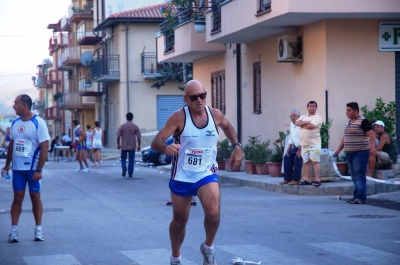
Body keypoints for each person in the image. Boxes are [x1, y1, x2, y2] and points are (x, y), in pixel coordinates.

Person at [151, 80, 243, 265]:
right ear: (186, 99)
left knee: (213, 212)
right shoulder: (178, 118)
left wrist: (237, 146)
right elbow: (156, 142)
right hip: (182, 175)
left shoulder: (215, 114)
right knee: (180, 220)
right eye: (194, 97)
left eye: (203, 95)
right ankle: (176, 257)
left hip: (206, 173)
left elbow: (227, 126)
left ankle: (208, 247)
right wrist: (165, 149)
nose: (199, 100)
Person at [2, 94, 50, 243]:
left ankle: (38, 229)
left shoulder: (38, 123)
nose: (13, 106)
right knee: (17, 198)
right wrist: (7, 164)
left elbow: (45, 147)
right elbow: (11, 145)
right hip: (18, 169)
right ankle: (14, 230)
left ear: (24, 105)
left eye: (16, 104)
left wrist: (39, 170)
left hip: (33, 169)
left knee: (35, 197)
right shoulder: (15, 123)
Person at [334, 102, 375, 204]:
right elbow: (345, 137)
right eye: (346, 110)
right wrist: (338, 150)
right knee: (353, 175)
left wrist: (372, 148)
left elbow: (371, 135)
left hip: (360, 153)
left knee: (359, 175)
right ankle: (356, 196)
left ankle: (360, 198)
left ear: (356, 111)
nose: (347, 113)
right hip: (350, 153)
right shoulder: (348, 123)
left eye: (349, 110)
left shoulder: (363, 121)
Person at [295, 101, 323, 186]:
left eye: (313, 106)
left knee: (315, 161)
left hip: (314, 143)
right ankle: (307, 179)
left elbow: (311, 126)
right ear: (307, 107)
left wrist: (302, 124)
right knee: (306, 161)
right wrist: (307, 122)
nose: (311, 108)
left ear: (316, 108)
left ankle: (317, 180)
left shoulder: (317, 117)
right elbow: (296, 123)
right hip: (304, 144)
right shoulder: (303, 116)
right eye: (310, 106)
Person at [281, 110, 303, 185]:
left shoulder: (301, 125)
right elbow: (291, 138)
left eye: (294, 116)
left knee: (297, 158)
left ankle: (297, 179)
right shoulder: (291, 124)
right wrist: (288, 150)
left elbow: (303, 138)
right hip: (296, 146)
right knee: (286, 157)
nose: (292, 117)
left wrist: (299, 150)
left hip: (303, 146)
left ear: (298, 116)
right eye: (291, 116)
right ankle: (288, 178)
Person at [116, 112, 141, 178]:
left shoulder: (122, 126)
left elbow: (118, 136)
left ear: (126, 117)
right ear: (132, 118)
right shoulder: (135, 126)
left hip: (124, 145)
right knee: (131, 159)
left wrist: (118, 144)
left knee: (123, 158)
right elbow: (138, 137)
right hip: (132, 145)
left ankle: (124, 167)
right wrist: (139, 145)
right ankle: (130, 173)